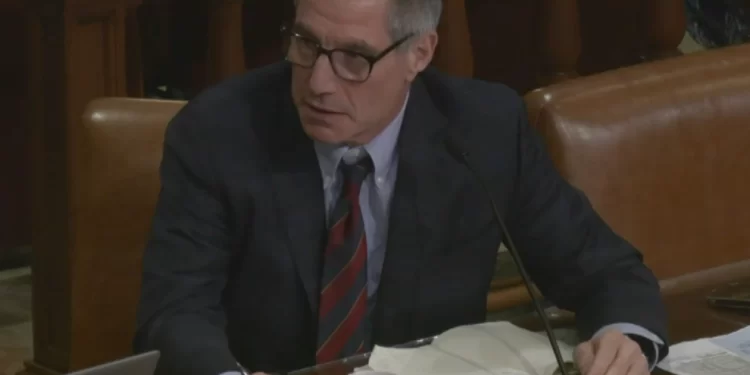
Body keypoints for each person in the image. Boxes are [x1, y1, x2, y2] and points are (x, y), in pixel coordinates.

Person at [134, 0, 669, 374]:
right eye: (305, 44)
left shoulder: (483, 130)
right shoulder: (218, 133)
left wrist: (624, 340)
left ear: (419, 53)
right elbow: (176, 311)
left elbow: (607, 271)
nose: (319, 81)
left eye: (353, 57)